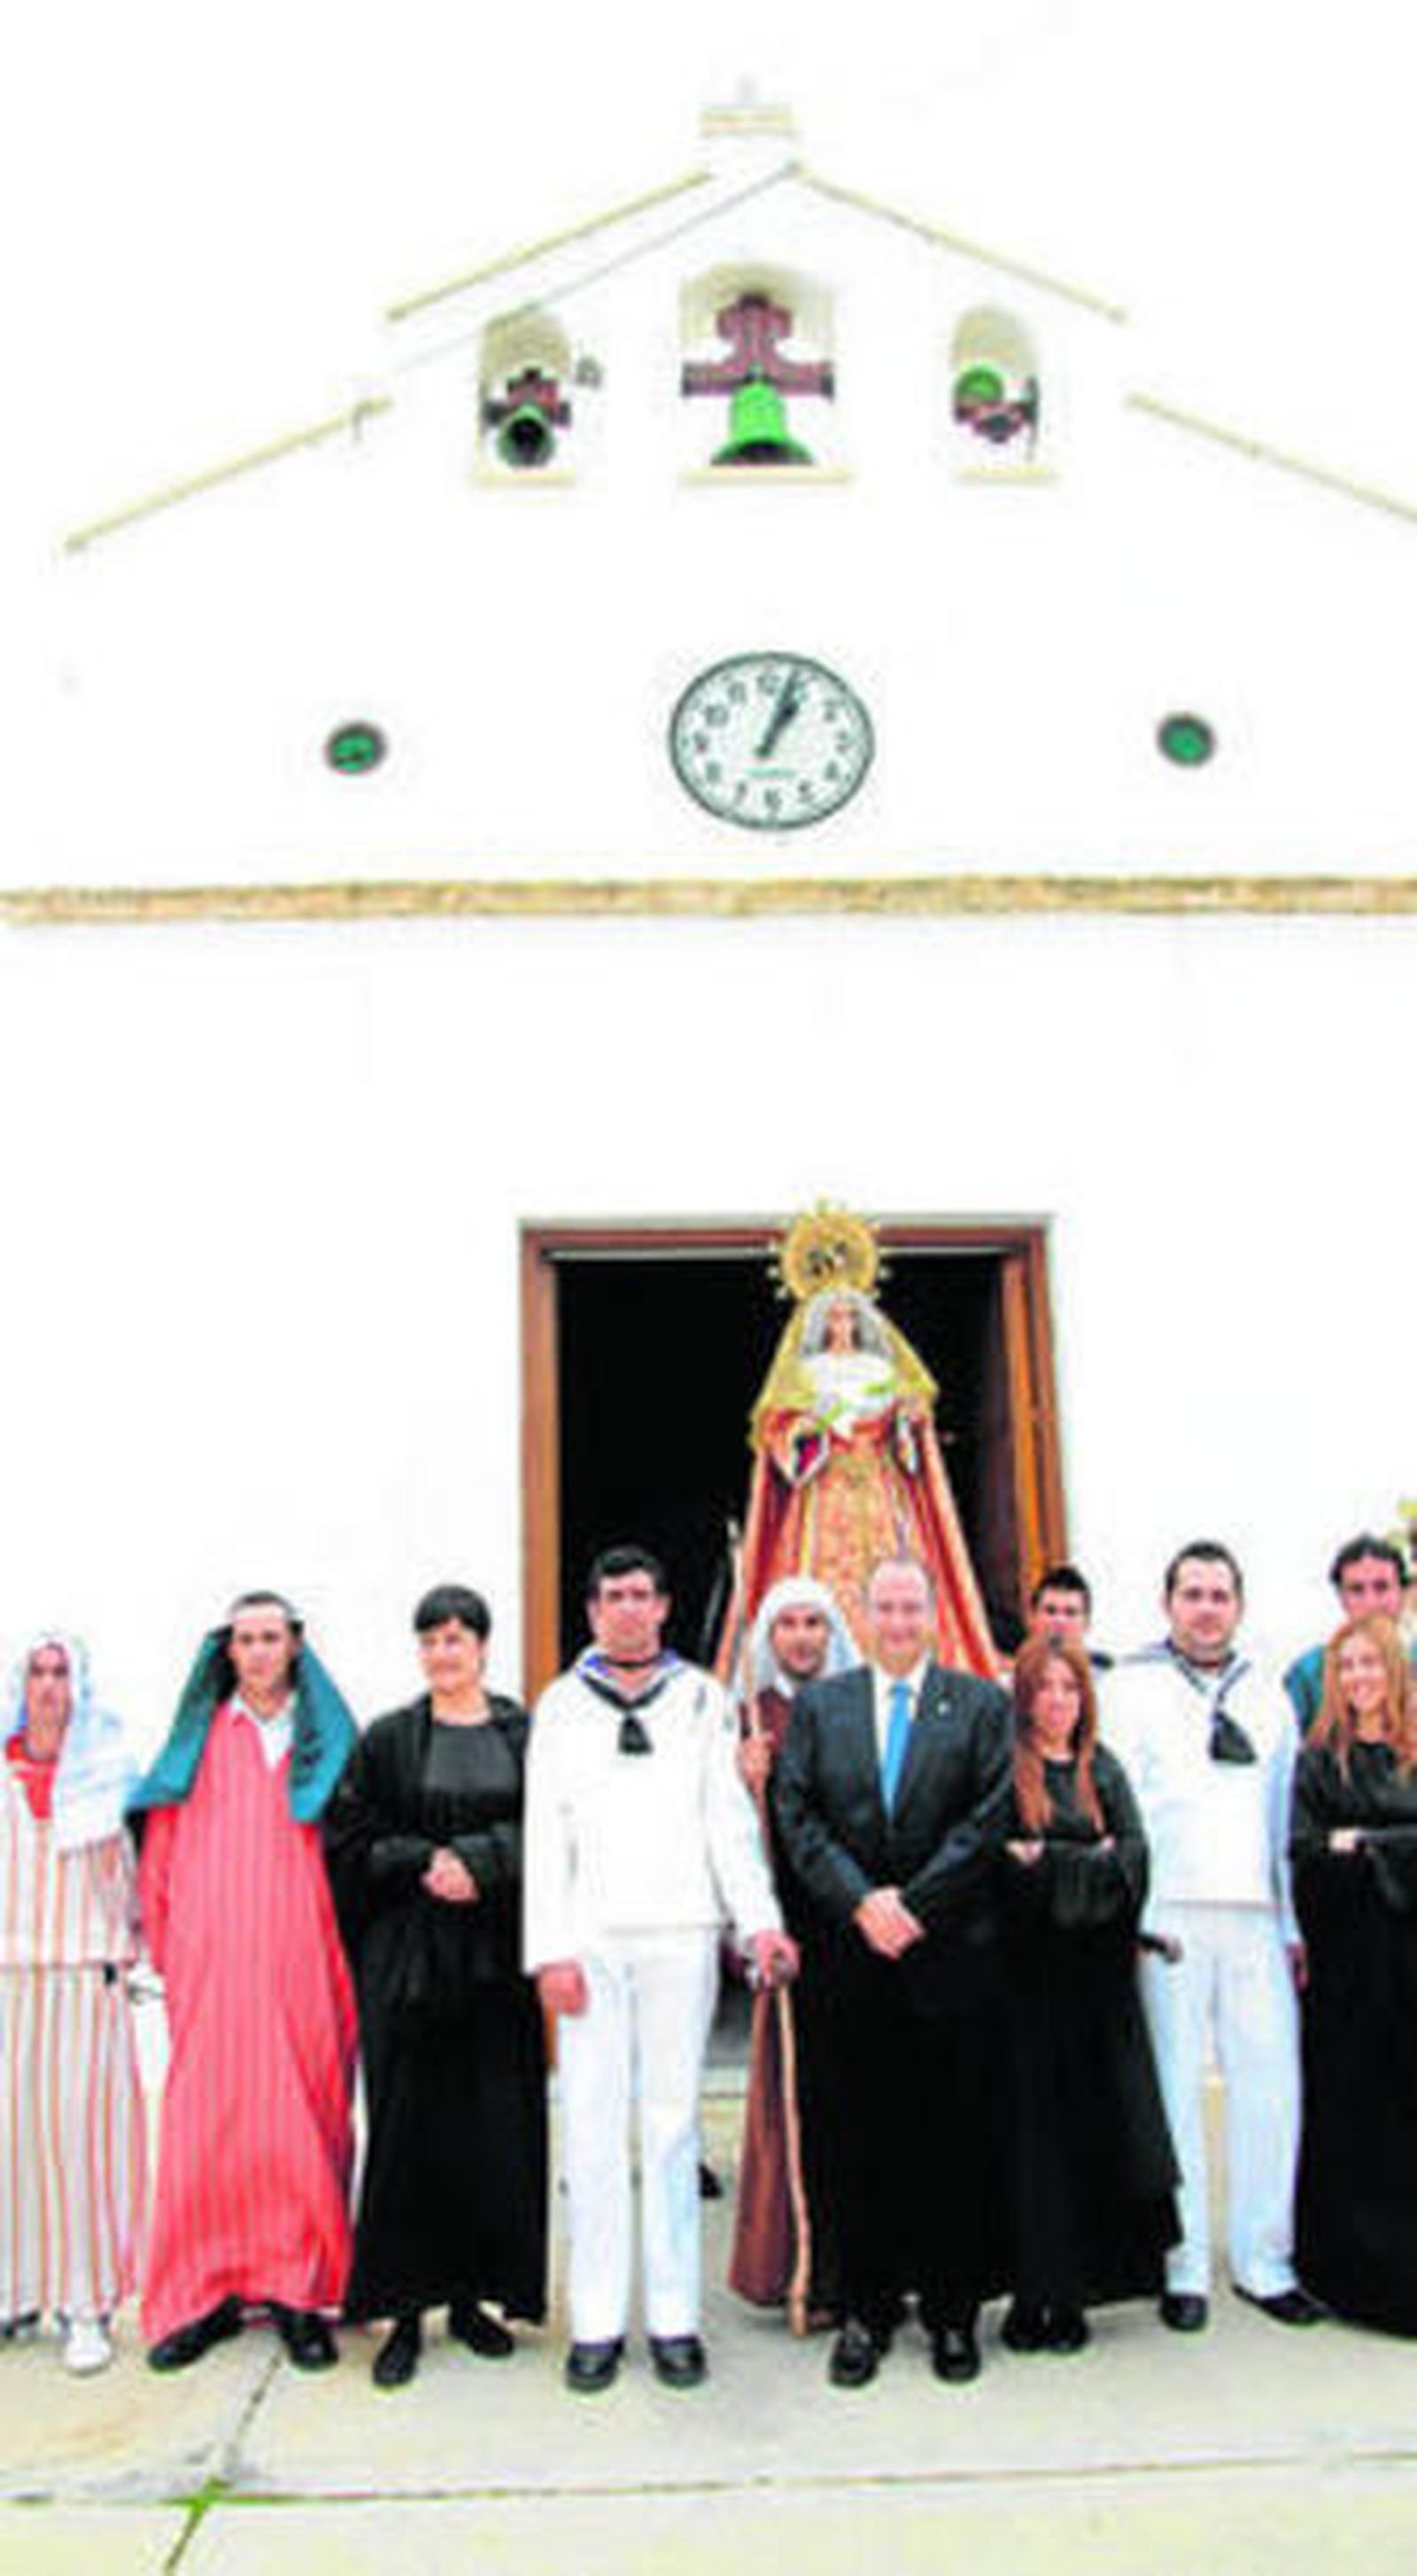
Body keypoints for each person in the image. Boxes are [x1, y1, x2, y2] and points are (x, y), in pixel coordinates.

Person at [523, 1544, 796, 2394]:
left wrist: (759, 1923)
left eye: (644, 1594)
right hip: (593, 1939)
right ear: (592, 1611)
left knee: (674, 2128)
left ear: (666, 1607)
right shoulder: (562, 1706)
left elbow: (726, 1822)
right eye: (614, 1596)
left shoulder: (703, 1699)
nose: (630, 1608)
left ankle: (673, 2317)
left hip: (681, 1931)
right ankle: (599, 2320)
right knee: (597, 2132)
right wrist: (549, 1950)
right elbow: (544, 1833)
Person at [773, 1555, 1014, 2386]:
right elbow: (796, 1814)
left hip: (946, 1958)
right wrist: (859, 1902)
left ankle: (952, 2314)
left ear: (935, 1613)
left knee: (950, 2137)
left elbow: (990, 1814)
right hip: (851, 1961)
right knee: (855, 2138)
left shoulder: (981, 1704)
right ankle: (867, 2311)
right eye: (887, 1606)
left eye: (914, 1606)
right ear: (865, 1616)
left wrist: (915, 1903)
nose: (901, 1620)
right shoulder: (821, 1706)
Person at [325, 1584, 547, 2388]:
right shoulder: (387, 1738)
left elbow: (556, 1825)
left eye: (457, 1638)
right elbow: (350, 1835)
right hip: (409, 1961)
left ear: (484, 1646)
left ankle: (471, 2303)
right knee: (408, 2131)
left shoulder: (526, 1733)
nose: (444, 1653)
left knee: (491, 2130)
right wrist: (426, 1862)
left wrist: (482, 1861)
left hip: (495, 1960)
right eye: (431, 1640)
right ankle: (405, 2312)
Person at [131, 1591, 358, 2371]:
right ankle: (208, 2293)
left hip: (304, 1961)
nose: (258, 1651)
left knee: (299, 2119)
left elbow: (357, 1853)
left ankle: (301, 2292)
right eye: (244, 1639)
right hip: (214, 1967)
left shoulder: (327, 1742)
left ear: (295, 1645)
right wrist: (168, 1950)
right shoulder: (199, 1741)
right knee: (210, 2127)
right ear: (225, 1651)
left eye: (271, 1637)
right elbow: (159, 1849)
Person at [1103, 1543, 1320, 2332]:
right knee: (1175, 2092)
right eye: (1191, 1593)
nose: (1205, 1607)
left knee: (1271, 2087)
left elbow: (1282, 1819)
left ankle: (1266, 2259)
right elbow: (1117, 1809)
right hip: (1170, 1918)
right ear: (1167, 1603)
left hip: (1256, 1915)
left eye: (1219, 1594)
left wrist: (1291, 1921)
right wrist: (1128, 1915)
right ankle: (1183, 2260)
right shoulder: (1129, 1687)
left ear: (1239, 1605)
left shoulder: (1268, 1694)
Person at [998, 1637, 1177, 2353]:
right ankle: (1026, 2292)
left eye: (1069, 1688)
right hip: (1026, 1990)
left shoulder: (1104, 1771)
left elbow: (1135, 1860)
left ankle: (1072, 2296)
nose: (1057, 1701)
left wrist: (1054, 1863)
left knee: (1087, 2142)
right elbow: (999, 1867)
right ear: (1024, 1698)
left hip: (1096, 1994)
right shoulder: (1008, 1773)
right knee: (1026, 2147)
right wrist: (1085, 1865)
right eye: (1043, 1688)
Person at [0, 1631, 145, 2374]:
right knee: (14, 2143)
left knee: (81, 2143)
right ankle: (17, 2290)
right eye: (37, 1671)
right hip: (9, 1979)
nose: (49, 1685)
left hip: (86, 1975)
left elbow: (134, 1880)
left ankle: (85, 2304)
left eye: (61, 1672)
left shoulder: (105, 1773)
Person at [733, 1277, 998, 1672]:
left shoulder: (878, 1368)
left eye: (850, 1316)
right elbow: (780, 1432)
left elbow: (906, 1438)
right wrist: (807, 1429)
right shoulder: (807, 1372)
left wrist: (909, 1423)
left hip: (880, 1482)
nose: (842, 1324)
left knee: (897, 1567)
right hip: (824, 1487)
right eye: (834, 1317)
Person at [729, 1574, 855, 2326]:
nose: (802, 1637)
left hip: (854, 1923)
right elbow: (733, 1833)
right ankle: (793, 2267)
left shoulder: (855, 1703)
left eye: (814, 1622)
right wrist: (748, 1783)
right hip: (789, 1925)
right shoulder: (753, 1713)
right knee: (791, 2094)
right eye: (788, 1625)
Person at [1289, 1614, 1417, 2331]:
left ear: (1394, 1670)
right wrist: (1391, 1849)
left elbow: (1342, 1847)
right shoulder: (1319, 1762)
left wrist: (1363, 1843)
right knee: (1353, 2115)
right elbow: (1306, 1854)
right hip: (1349, 1972)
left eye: (1373, 1663)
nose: (1360, 1677)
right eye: (1349, 1666)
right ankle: (1357, 2277)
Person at [1284, 1535, 1413, 1732]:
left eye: (1382, 1587)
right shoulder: (1308, 1673)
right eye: (1357, 1590)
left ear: (1404, 1594)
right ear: (1342, 1598)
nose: (1370, 1603)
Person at [1026, 1565, 1113, 1671]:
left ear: (1087, 1623)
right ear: (1032, 1618)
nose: (1059, 1620)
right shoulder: (1012, 1683)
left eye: (1070, 1613)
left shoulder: (1110, 1681)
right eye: (1050, 1611)